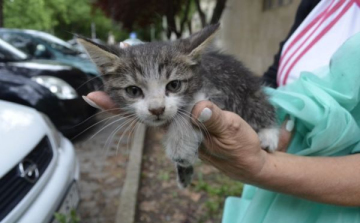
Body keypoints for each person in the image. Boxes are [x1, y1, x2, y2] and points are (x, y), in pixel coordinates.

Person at [83, 0, 360, 222]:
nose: (156, 107)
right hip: (270, 193)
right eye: (134, 91)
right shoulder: (317, 4)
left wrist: (263, 163)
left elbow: (250, 91)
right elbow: (271, 77)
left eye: (173, 86)